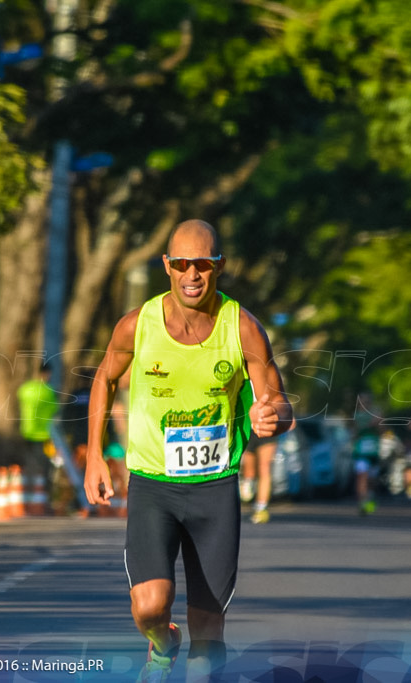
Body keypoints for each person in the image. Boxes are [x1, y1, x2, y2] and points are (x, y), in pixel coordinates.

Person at [83, 219, 294, 682]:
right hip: (153, 486)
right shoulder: (138, 325)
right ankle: (162, 646)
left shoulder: (242, 328)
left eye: (202, 264)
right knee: (149, 607)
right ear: (167, 267)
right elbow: (105, 377)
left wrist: (272, 415)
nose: (192, 275)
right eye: (182, 264)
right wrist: (96, 456)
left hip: (214, 490)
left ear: (219, 267)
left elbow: (277, 401)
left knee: (208, 629)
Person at [17, 361, 59, 510]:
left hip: (26, 432)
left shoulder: (25, 389)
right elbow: (55, 410)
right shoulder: (49, 391)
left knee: (29, 467)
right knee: (45, 469)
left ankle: (26, 498)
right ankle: (42, 501)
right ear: (47, 373)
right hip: (43, 435)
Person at [243, 434, 278, 524]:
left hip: (267, 430)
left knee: (264, 468)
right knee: (249, 470)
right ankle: (248, 483)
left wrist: (288, 419)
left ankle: (261, 508)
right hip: (248, 429)